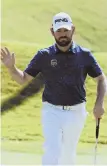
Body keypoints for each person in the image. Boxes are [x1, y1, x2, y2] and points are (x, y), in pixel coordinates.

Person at [1, 12, 107, 165]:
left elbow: (101, 79)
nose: (62, 34)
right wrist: (11, 68)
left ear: (73, 29)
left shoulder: (85, 55)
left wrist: (99, 103)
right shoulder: (44, 55)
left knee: (68, 154)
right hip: (51, 111)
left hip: (76, 111)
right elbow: (23, 79)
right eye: (59, 31)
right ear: (52, 32)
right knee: (53, 149)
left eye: (65, 30)